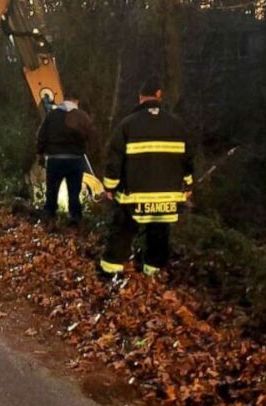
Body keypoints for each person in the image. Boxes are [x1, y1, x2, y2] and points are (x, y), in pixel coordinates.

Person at [100, 76, 193, 278]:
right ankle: (154, 274)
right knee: (159, 234)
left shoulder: (127, 124)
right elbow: (187, 158)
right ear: (159, 95)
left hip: (133, 194)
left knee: (122, 231)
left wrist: (110, 187)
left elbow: (114, 158)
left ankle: (110, 274)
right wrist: (187, 186)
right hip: (166, 196)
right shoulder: (177, 125)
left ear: (140, 97)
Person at [36, 92, 93, 227]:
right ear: (76, 101)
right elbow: (91, 136)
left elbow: (41, 135)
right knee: (74, 192)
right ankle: (75, 219)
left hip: (55, 159)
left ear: (64, 99)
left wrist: (40, 153)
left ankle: (49, 218)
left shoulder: (52, 115)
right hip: (75, 160)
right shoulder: (82, 116)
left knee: (52, 192)